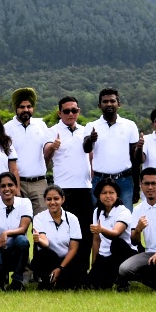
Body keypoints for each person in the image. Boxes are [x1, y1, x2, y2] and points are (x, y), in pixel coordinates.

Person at [117, 168, 156, 292]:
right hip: (150, 252)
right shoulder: (138, 209)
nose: (150, 187)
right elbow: (134, 241)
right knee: (124, 269)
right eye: (146, 184)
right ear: (141, 185)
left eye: (154, 183)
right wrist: (138, 230)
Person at [44, 97, 94, 252]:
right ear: (60, 113)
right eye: (66, 111)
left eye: (74, 110)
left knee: (86, 232)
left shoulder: (85, 130)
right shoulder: (52, 131)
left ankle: (82, 270)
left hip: (85, 188)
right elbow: (45, 155)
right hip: (64, 189)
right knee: (66, 231)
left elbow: (90, 156)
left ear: (78, 111)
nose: (71, 114)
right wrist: (53, 146)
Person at [84, 88, 141, 206]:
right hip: (99, 180)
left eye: (112, 101)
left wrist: (136, 186)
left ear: (118, 104)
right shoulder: (92, 125)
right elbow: (86, 149)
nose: (109, 104)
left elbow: (134, 159)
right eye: (105, 102)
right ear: (99, 105)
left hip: (124, 180)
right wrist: (91, 139)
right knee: (99, 218)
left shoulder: (130, 125)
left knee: (125, 218)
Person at [0, 172, 31, 290]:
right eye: (3, 186)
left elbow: (23, 228)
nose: (7, 188)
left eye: (10, 185)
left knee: (23, 241)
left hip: (14, 248)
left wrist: (6, 233)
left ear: (16, 187)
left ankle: (17, 281)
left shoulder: (25, 202)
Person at [4, 87, 50, 214]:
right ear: (16, 108)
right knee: (17, 223)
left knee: (42, 222)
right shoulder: (6, 129)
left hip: (39, 183)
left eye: (29, 106)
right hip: (17, 183)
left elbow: (47, 153)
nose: (26, 110)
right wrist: (15, 186)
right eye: (22, 107)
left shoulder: (41, 126)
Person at [86, 178, 136, 290]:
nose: (108, 196)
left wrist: (101, 229)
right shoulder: (97, 211)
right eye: (104, 193)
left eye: (111, 192)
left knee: (116, 243)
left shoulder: (123, 211)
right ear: (99, 195)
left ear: (117, 194)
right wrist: (94, 264)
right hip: (104, 255)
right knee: (92, 284)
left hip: (122, 253)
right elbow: (96, 240)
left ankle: (123, 278)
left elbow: (116, 233)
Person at [31, 185, 84, 290]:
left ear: (63, 199)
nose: (52, 202)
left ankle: (57, 280)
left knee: (66, 285)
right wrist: (39, 239)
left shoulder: (72, 219)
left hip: (67, 260)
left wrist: (60, 268)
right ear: (45, 200)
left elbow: (73, 249)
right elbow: (45, 242)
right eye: (49, 199)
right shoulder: (39, 218)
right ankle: (47, 280)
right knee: (42, 254)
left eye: (56, 199)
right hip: (49, 259)